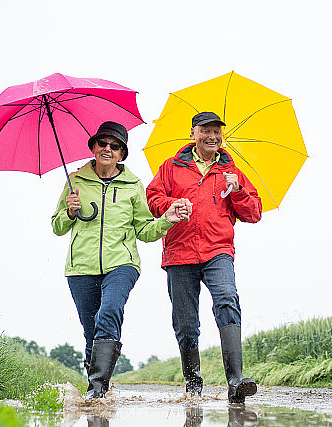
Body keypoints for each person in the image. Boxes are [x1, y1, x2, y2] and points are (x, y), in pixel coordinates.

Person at [52, 121, 190, 399]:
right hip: (80, 268)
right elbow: (57, 227)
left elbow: (145, 231)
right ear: (93, 147)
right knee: (91, 330)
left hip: (122, 264)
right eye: (102, 143)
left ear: (122, 154)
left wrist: (167, 219)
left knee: (110, 310)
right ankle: (96, 391)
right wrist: (69, 212)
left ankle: (97, 388)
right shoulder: (75, 181)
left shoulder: (133, 185)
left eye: (115, 146)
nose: (108, 149)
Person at [146, 111, 262, 403]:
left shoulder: (232, 172)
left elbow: (254, 213)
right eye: (206, 131)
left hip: (218, 250)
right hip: (179, 252)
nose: (212, 136)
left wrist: (237, 191)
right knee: (186, 323)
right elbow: (152, 199)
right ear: (193, 133)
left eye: (217, 131)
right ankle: (193, 383)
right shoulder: (170, 167)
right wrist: (172, 204)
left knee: (227, 298)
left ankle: (235, 381)